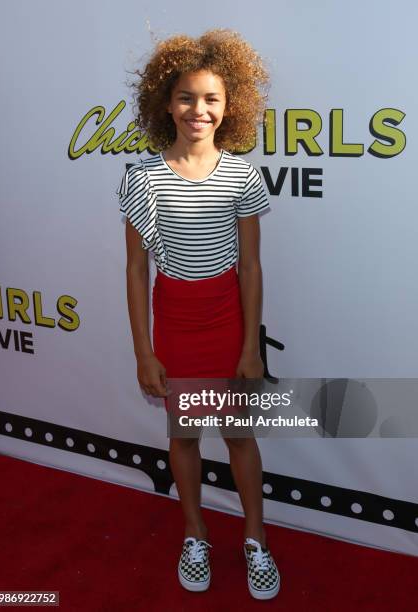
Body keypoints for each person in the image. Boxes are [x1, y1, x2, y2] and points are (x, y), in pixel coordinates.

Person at [116, 28, 280, 601]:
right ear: (166, 102)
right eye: (186, 97)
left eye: (211, 98)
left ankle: (255, 537)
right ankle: (195, 532)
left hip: (227, 319)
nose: (198, 110)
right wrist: (144, 351)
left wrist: (250, 345)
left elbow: (251, 268)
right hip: (175, 320)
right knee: (184, 435)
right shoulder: (143, 177)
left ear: (229, 105)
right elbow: (137, 271)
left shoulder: (243, 175)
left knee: (239, 436)